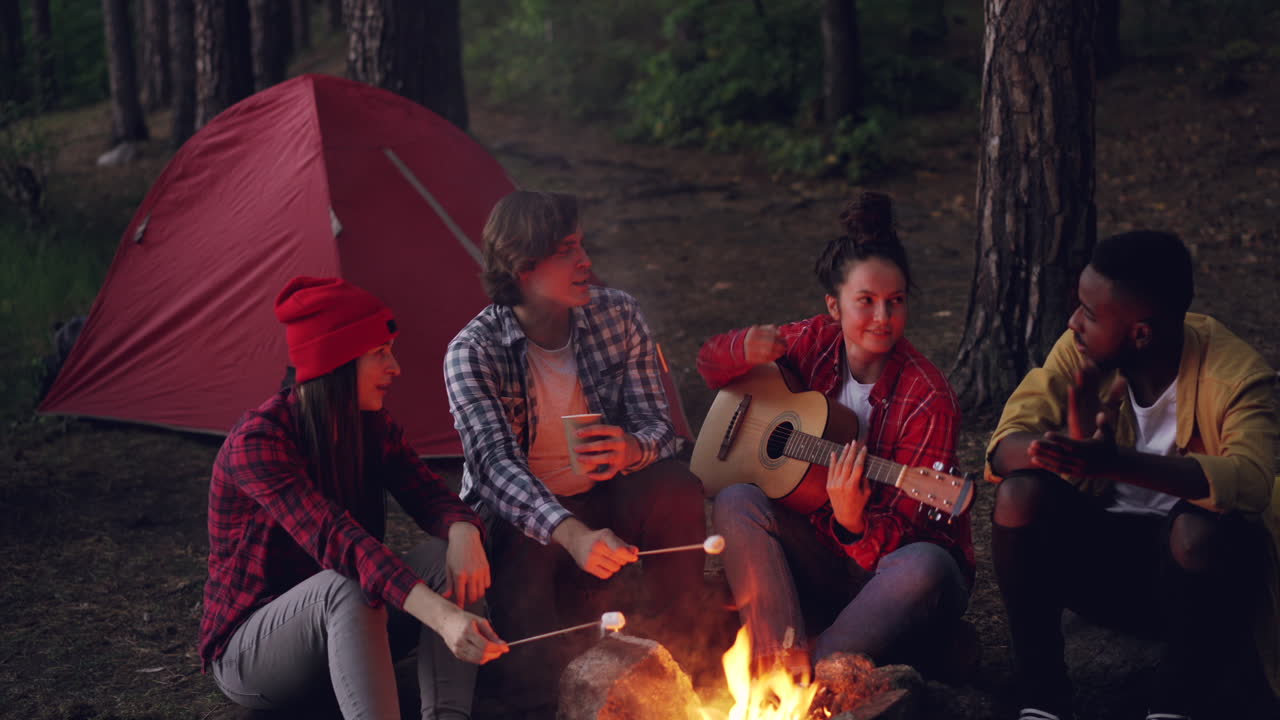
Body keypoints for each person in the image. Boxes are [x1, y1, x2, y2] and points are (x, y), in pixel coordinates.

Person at [986, 230, 1280, 720]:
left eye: (1089, 313)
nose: (1073, 322)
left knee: (1196, 530)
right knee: (1018, 496)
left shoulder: (1235, 375)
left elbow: (1251, 481)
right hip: (1108, 569)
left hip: (1202, 583)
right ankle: (1042, 699)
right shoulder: (1080, 349)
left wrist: (1117, 463)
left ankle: (1175, 707)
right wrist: (1063, 449)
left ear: (1141, 334)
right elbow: (1002, 449)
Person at [199, 276, 508, 720]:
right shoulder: (259, 443)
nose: (395, 368)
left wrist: (462, 529)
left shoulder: (370, 426)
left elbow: (429, 495)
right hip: (252, 650)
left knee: (446, 559)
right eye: (380, 353)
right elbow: (339, 541)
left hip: (355, 625)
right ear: (337, 363)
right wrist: (442, 617)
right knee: (348, 581)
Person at [696, 191, 974, 682]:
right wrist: (742, 349)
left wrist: (853, 524)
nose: (883, 318)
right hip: (815, 556)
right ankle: (775, 661)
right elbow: (709, 364)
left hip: (887, 578)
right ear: (834, 306)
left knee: (925, 566)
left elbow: (918, 541)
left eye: (895, 301)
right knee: (737, 499)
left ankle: (812, 674)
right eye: (865, 302)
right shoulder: (812, 342)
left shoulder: (929, 397)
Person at [444, 190, 707, 708]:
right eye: (567, 251)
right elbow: (495, 469)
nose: (586, 261)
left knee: (676, 485)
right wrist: (573, 534)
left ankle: (683, 651)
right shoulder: (473, 352)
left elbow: (659, 425)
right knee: (533, 658)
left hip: (602, 495)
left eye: (582, 245)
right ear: (523, 267)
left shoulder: (618, 314)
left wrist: (630, 448)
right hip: (520, 520)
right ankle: (541, 697)